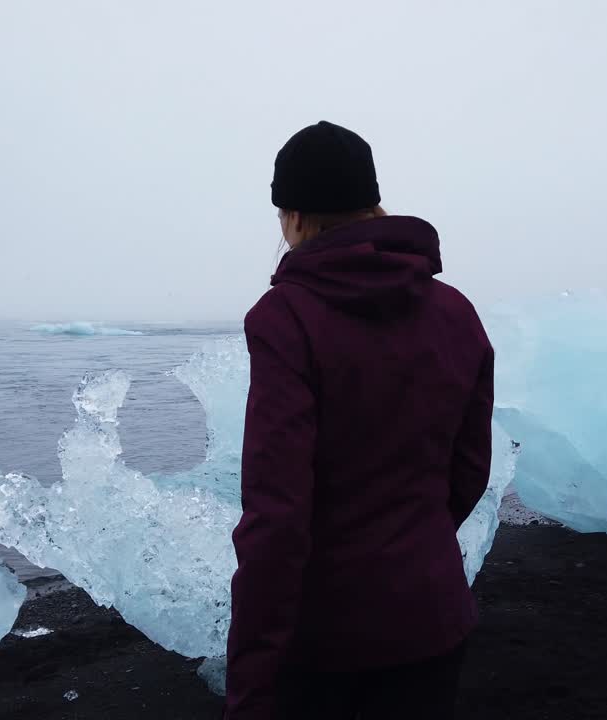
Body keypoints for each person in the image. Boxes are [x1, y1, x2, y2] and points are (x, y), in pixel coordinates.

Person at [226, 121, 493, 720]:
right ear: (372, 204)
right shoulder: (455, 312)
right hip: (432, 618)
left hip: (328, 641)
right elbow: (471, 466)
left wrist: (250, 681)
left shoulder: (286, 317)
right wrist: (410, 543)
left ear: (293, 216)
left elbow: (277, 512)